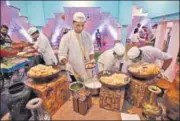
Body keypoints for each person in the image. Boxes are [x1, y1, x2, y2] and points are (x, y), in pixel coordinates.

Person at [58, 12, 95, 82]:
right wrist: (66, 63)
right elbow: (62, 55)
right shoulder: (67, 37)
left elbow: (91, 50)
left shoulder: (87, 36)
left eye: (82, 25)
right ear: (73, 23)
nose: (80, 28)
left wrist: (92, 59)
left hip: (88, 69)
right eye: (78, 25)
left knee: (88, 85)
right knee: (78, 88)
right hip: (74, 70)